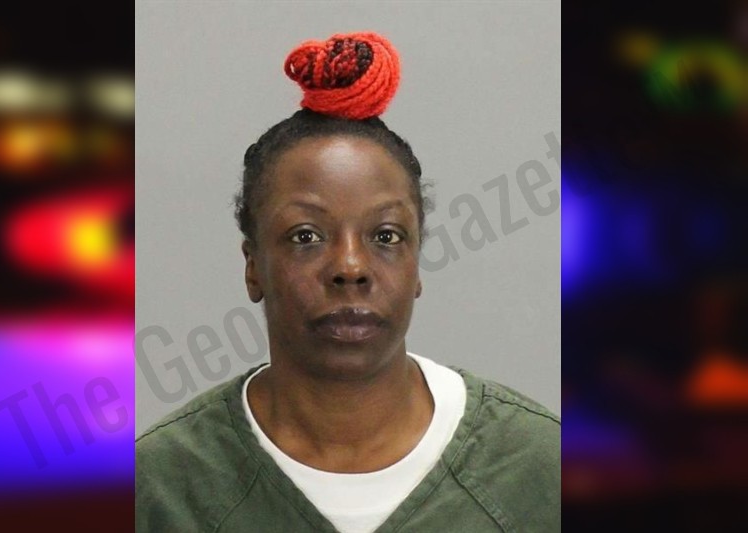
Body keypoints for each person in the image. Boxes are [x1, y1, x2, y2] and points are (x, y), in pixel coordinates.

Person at [136, 32, 560, 533]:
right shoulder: (161, 486)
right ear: (253, 267)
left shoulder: (536, 469)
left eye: (386, 235)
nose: (351, 267)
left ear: (416, 264)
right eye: (306, 236)